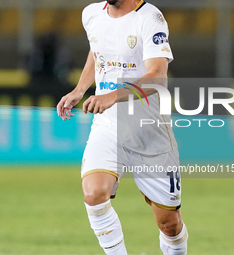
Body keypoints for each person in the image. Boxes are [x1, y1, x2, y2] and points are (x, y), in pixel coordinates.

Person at [57, 0, 188, 254]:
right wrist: (80, 89)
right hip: (107, 123)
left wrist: (111, 95)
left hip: (149, 129)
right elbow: (98, 52)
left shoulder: (150, 18)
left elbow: (158, 74)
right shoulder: (91, 14)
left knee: (169, 224)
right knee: (94, 194)